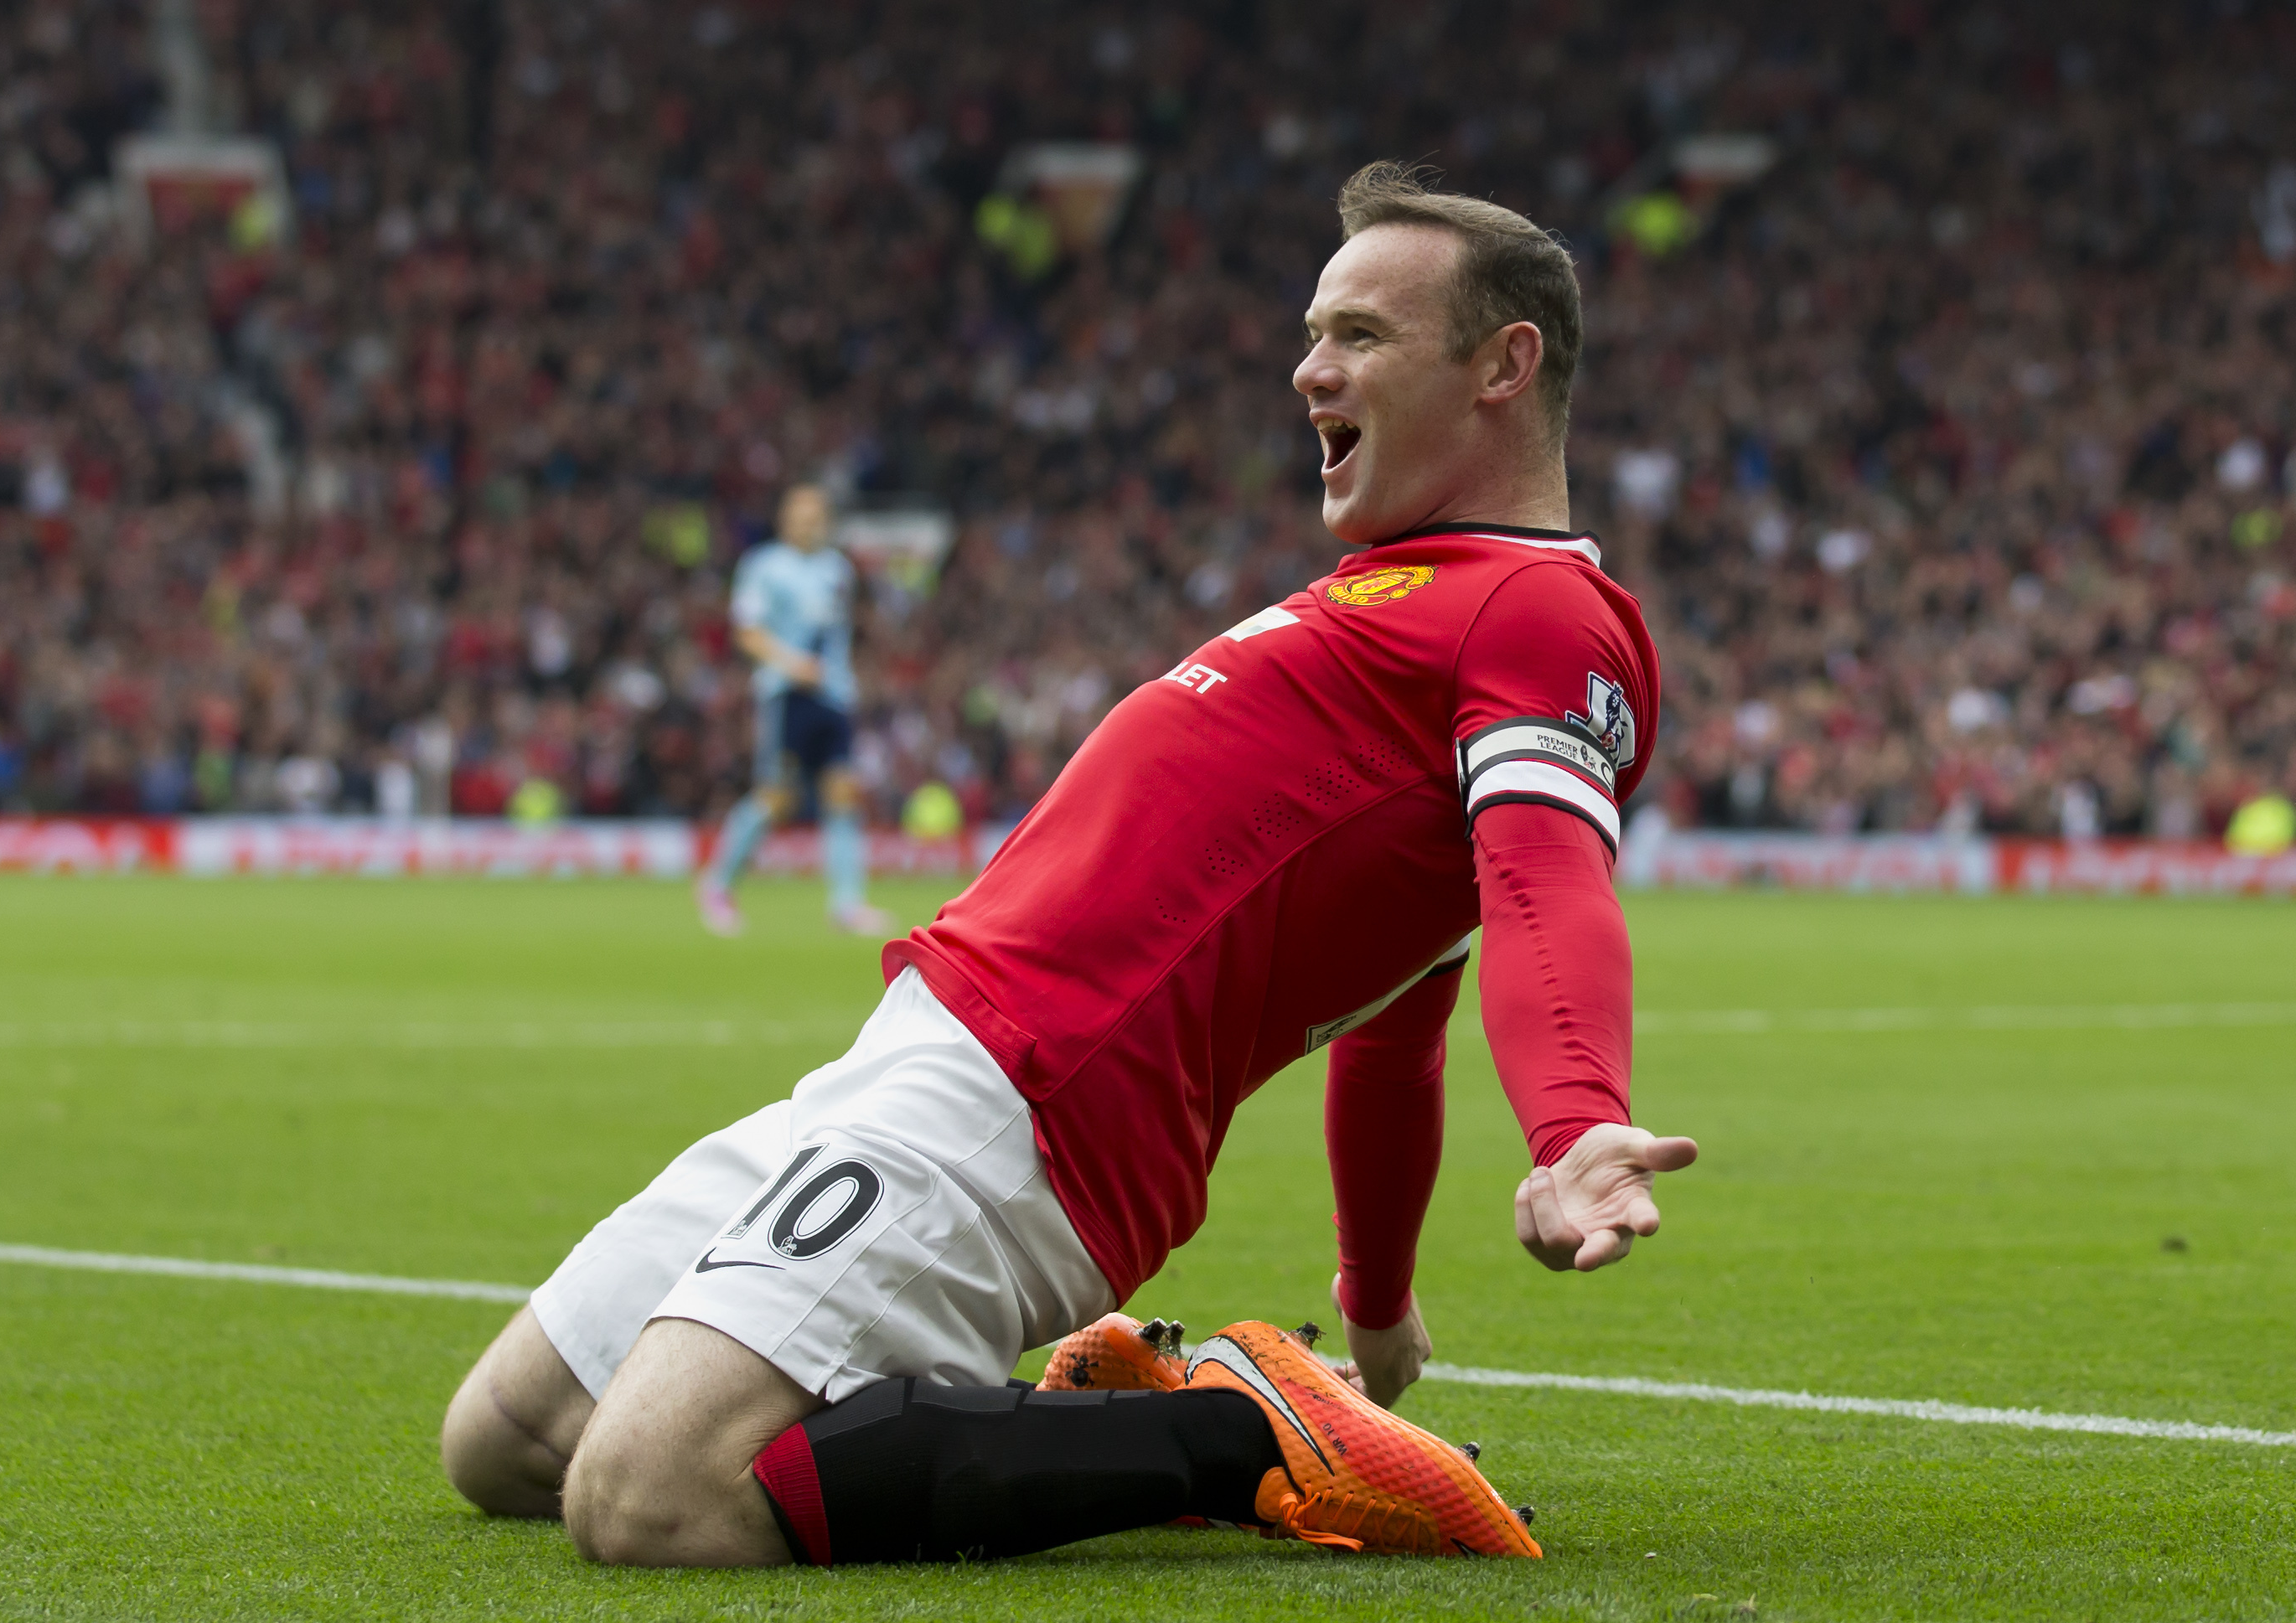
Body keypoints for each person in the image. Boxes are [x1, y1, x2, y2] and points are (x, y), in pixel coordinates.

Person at [441, 162, 1698, 1567]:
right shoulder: (1405, 598)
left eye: (1357, 334)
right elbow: (1398, 1021)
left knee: (654, 1498)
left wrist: (1575, 1120)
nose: (1306, 370)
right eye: (1309, 330)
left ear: (1502, 365)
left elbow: (1543, 872)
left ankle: (1232, 1432)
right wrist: (1375, 1294)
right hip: (917, 1058)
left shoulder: (1538, 607)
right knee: (503, 1441)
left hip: (1033, 1107)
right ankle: (1094, 1407)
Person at [695, 483, 891, 936]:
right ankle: (717, 883)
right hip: (786, 693)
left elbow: (840, 635)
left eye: (817, 516)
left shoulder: (838, 570)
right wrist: (791, 664)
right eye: (801, 516)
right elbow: (747, 632)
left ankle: (847, 903)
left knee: (842, 796)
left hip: (834, 696)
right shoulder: (764, 567)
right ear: (785, 520)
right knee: (776, 798)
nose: (810, 524)